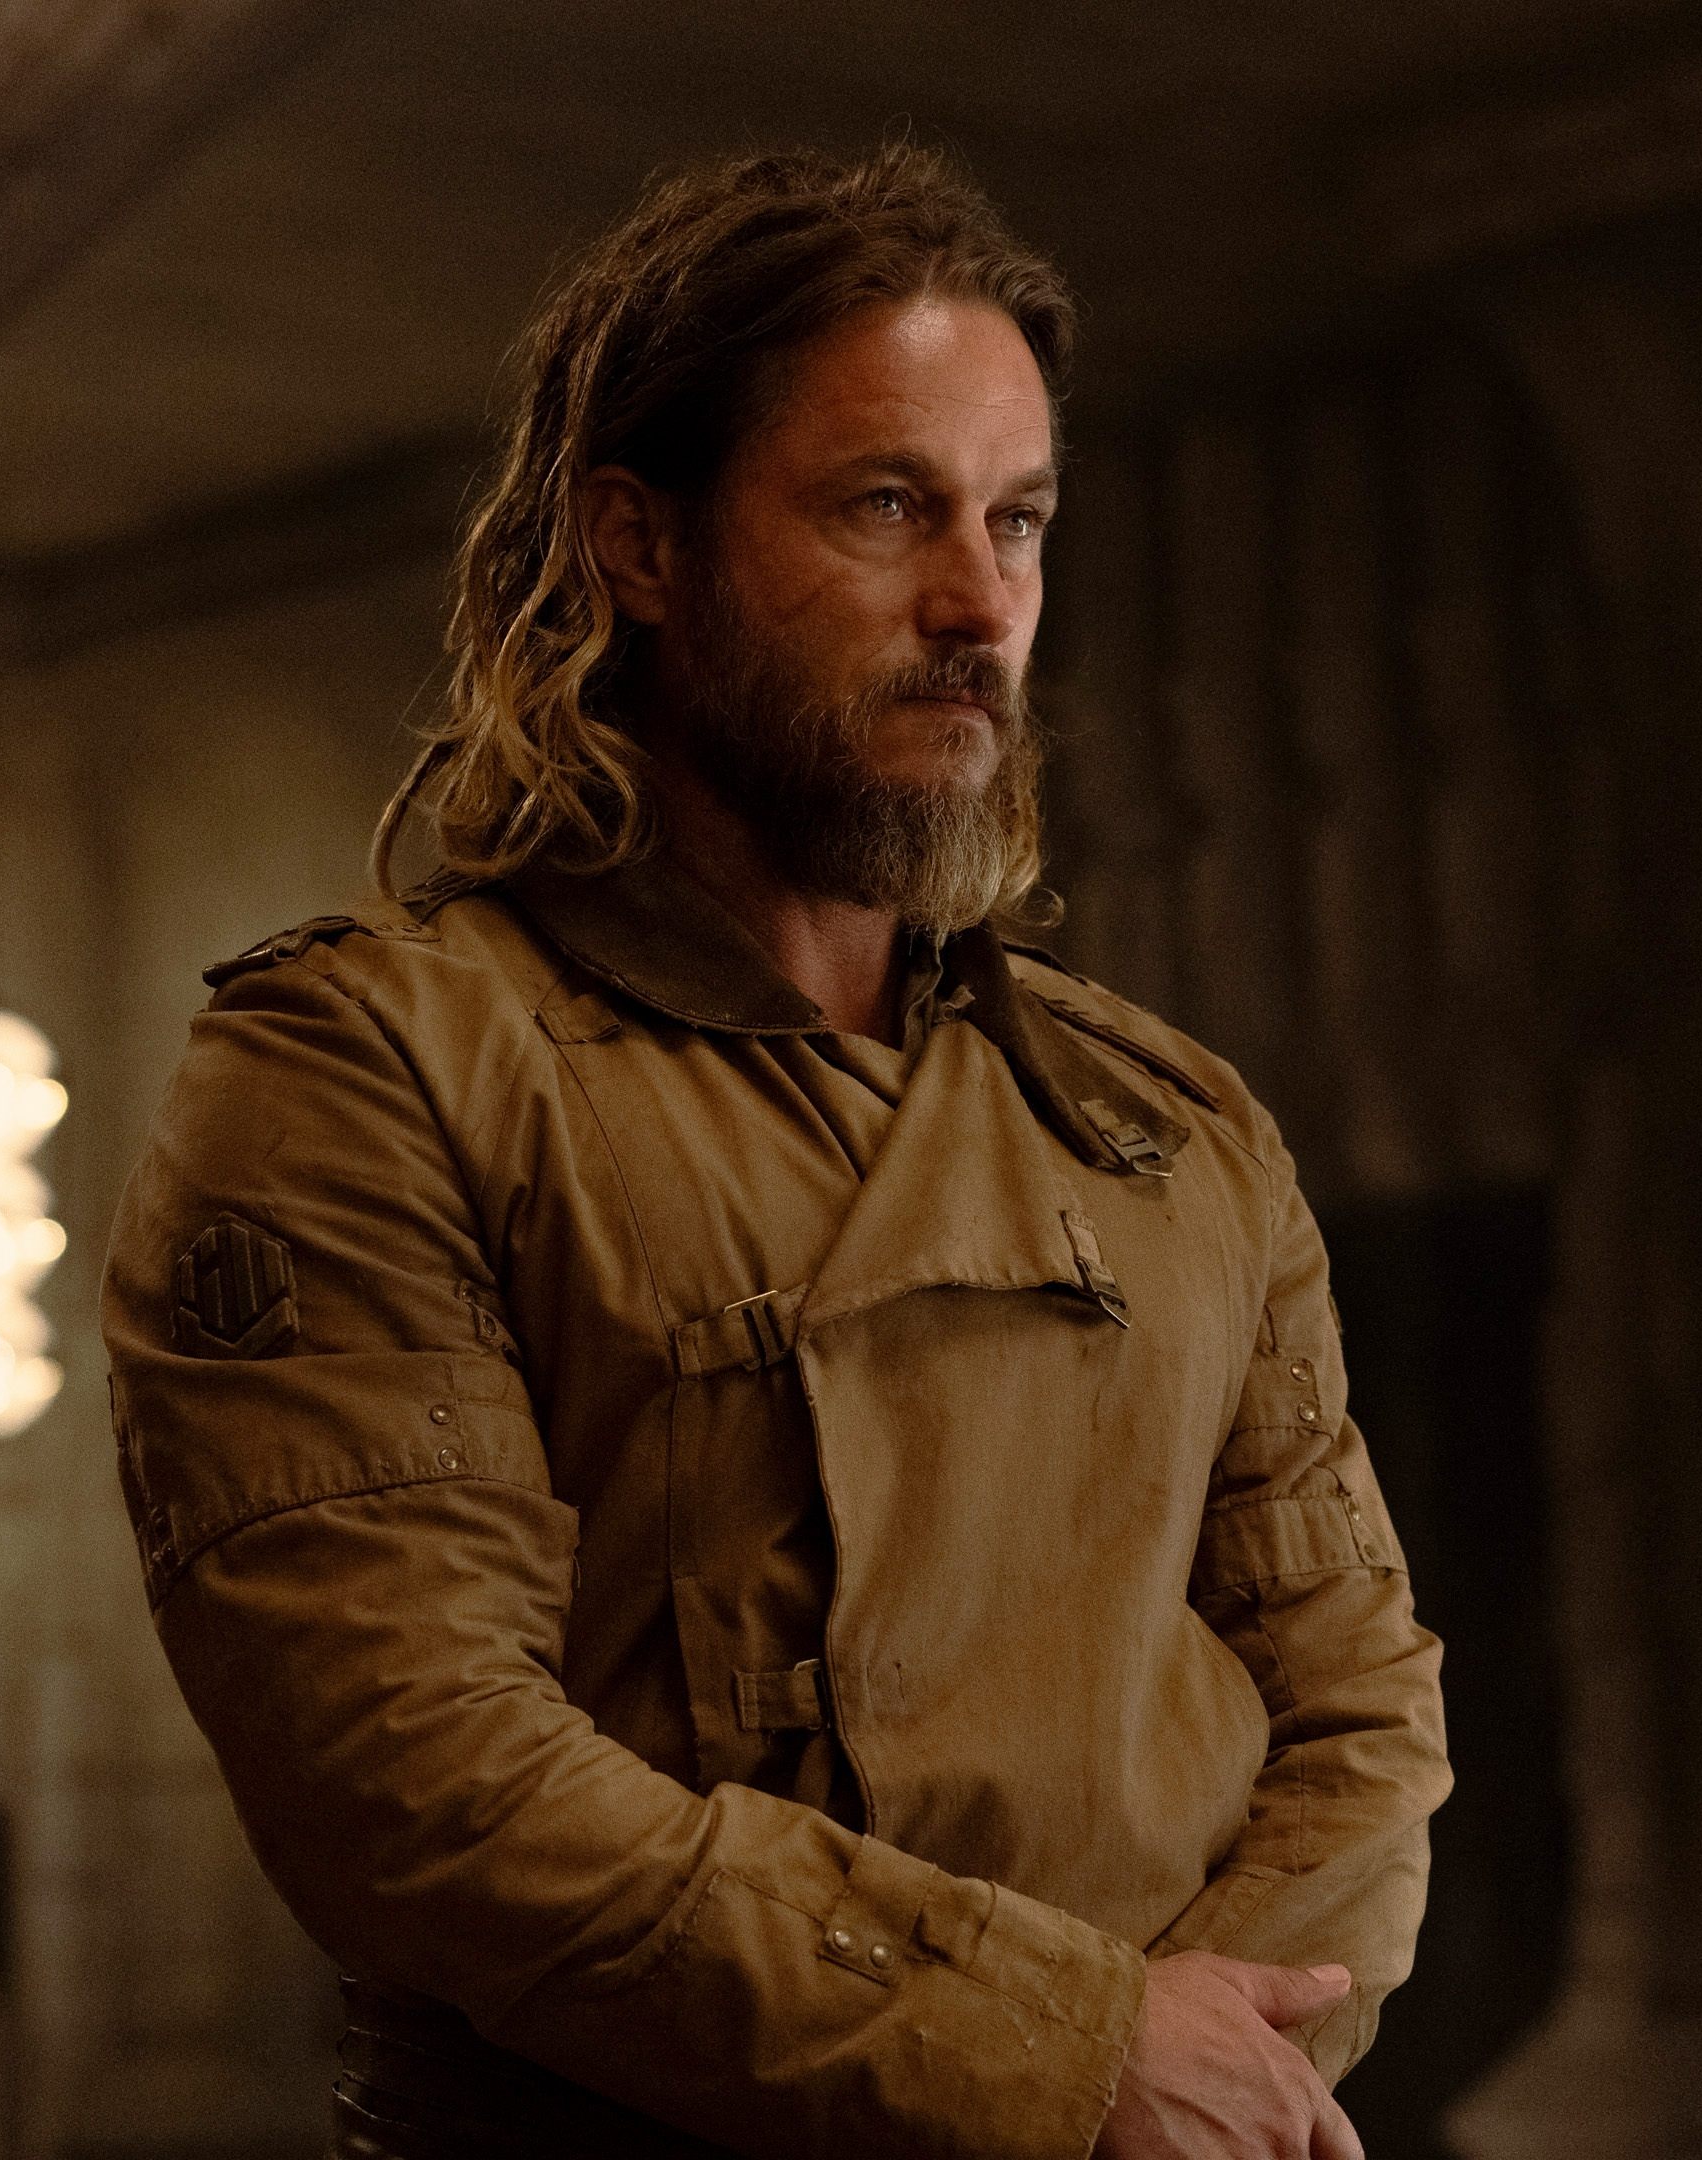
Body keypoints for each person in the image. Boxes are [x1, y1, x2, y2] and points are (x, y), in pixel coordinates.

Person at [99, 142, 1448, 2160]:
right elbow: (423, 1779)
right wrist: (1061, 2058)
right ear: (641, 544)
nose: (978, 603)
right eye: (885, 506)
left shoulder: (1175, 1131)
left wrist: (1198, 2082)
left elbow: (1364, 1722)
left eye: (1017, 520)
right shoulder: (369, 1069)